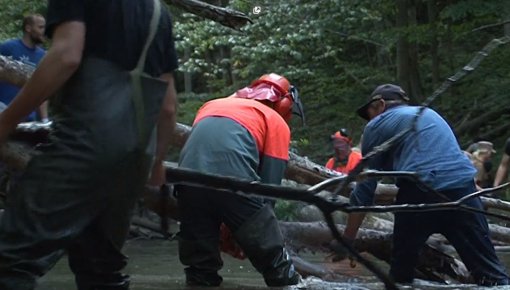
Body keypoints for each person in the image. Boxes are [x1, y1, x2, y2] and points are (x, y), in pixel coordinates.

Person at [0, 0, 178, 289]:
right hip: (134, 160)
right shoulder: (159, 12)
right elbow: (168, 105)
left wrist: (6, 122)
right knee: (102, 271)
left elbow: (66, 55)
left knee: (10, 260)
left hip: (82, 145)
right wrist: (156, 163)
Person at [342, 84, 509, 286]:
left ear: (380, 105)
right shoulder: (430, 114)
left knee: (400, 277)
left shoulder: (377, 125)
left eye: (369, 114)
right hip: (463, 190)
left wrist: (347, 240)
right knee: (491, 275)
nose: (368, 121)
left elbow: (364, 189)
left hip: (419, 193)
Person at [176, 73, 303, 287]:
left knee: (200, 268)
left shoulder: (211, 105)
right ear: (283, 103)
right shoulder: (274, 121)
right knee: (278, 269)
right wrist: (256, 228)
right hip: (234, 182)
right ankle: (287, 280)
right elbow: (269, 188)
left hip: (186, 180)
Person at [0, 14, 49, 122]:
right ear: (28, 28)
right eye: (40, 27)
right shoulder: (8, 47)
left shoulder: (43, 56)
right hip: (4, 112)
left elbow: (42, 89)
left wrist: (45, 119)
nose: (44, 31)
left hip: (29, 118)